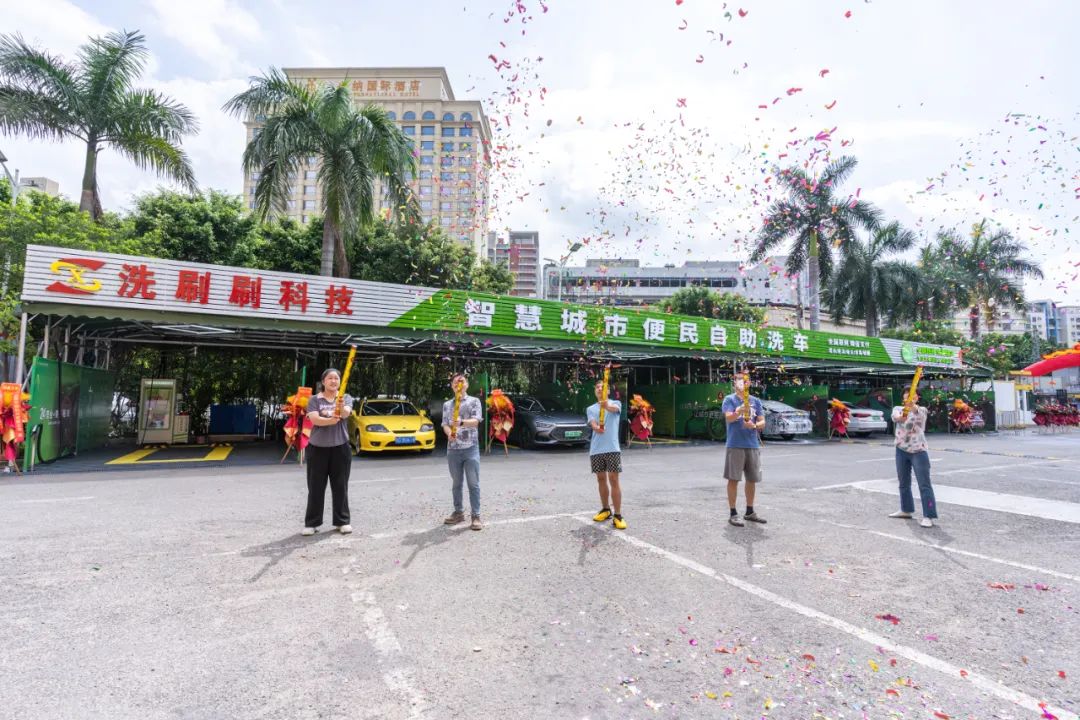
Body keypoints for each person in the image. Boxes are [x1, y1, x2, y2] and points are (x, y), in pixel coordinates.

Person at [302, 368, 353, 536]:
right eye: (330, 378)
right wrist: (331, 420)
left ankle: (342, 521)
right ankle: (312, 523)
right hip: (317, 449)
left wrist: (341, 408)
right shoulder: (314, 399)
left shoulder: (345, 397)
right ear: (323, 382)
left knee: (340, 486)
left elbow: (346, 413)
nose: (333, 381)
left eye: (336, 378)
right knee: (315, 487)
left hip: (341, 448)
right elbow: (315, 419)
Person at [722, 374, 767, 526]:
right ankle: (733, 513)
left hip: (752, 444)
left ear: (749, 383)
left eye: (744, 381)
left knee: (752, 479)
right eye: (737, 380)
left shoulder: (756, 401)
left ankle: (749, 511)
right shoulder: (729, 399)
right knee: (733, 479)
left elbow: (762, 421)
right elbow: (728, 418)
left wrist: (754, 426)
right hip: (735, 444)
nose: (740, 383)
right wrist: (739, 411)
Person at [442, 373, 484, 530]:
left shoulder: (474, 402)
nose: (458, 384)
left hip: (470, 449)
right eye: (455, 382)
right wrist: (449, 434)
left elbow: (475, 422)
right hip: (453, 450)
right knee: (456, 483)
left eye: (461, 381)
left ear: (466, 385)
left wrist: (461, 422)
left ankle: (476, 516)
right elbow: (445, 424)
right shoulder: (447, 405)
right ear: (452, 386)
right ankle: (459, 512)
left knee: (473, 483)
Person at [890, 392, 938, 527]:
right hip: (901, 449)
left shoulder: (922, 410)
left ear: (917, 398)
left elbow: (920, 416)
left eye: (912, 396)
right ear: (903, 398)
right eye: (906, 397)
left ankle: (929, 515)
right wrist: (905, 411)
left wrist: (914, 408)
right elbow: (897, 419)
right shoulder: (898, 409)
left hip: (918, 451)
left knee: (924, 484)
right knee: (903, 482)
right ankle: (906, 509)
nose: (909, 399)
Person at [587, 380, 626, 530]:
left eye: (602, 387)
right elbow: (593, 424)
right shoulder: (590, 408)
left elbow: (613, 409)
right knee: (601, 479)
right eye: (597, 387)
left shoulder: (616, 404)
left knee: (614, 479)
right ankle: (605, 509)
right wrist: (597, 428)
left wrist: (606, 406)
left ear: (608, 391)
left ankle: (618, 515)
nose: (599, 389)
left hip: (612, 449)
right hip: (596, 450)